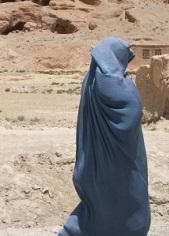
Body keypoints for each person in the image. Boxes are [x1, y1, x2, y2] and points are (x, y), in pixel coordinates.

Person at [59, 37, 150, 236]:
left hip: (92, 163)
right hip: (121, 165)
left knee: (96, 208)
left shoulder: (90, 79)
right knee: (127, 208)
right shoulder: (116, 84)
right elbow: (131, 114)